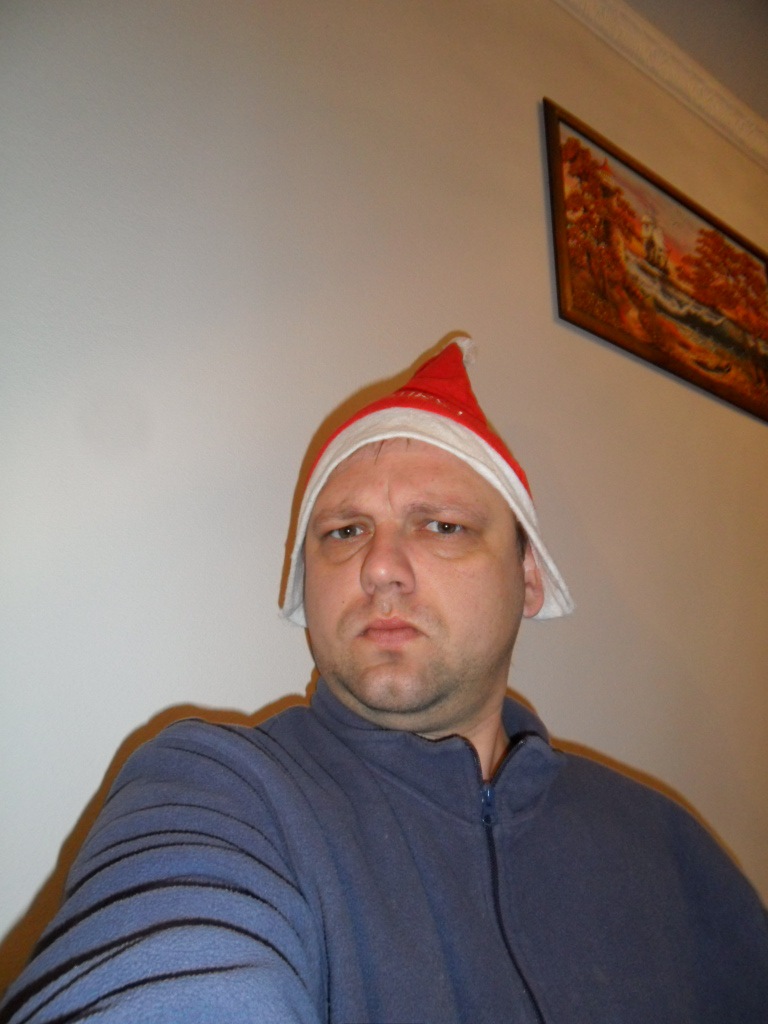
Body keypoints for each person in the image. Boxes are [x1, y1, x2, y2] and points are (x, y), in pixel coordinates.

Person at [1, 341, 767, 1023]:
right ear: (307, 587)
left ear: (529, 579)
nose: (380, 567)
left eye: (442, 526)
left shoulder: (667, 846)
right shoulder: (218, 789)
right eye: (345, 531)